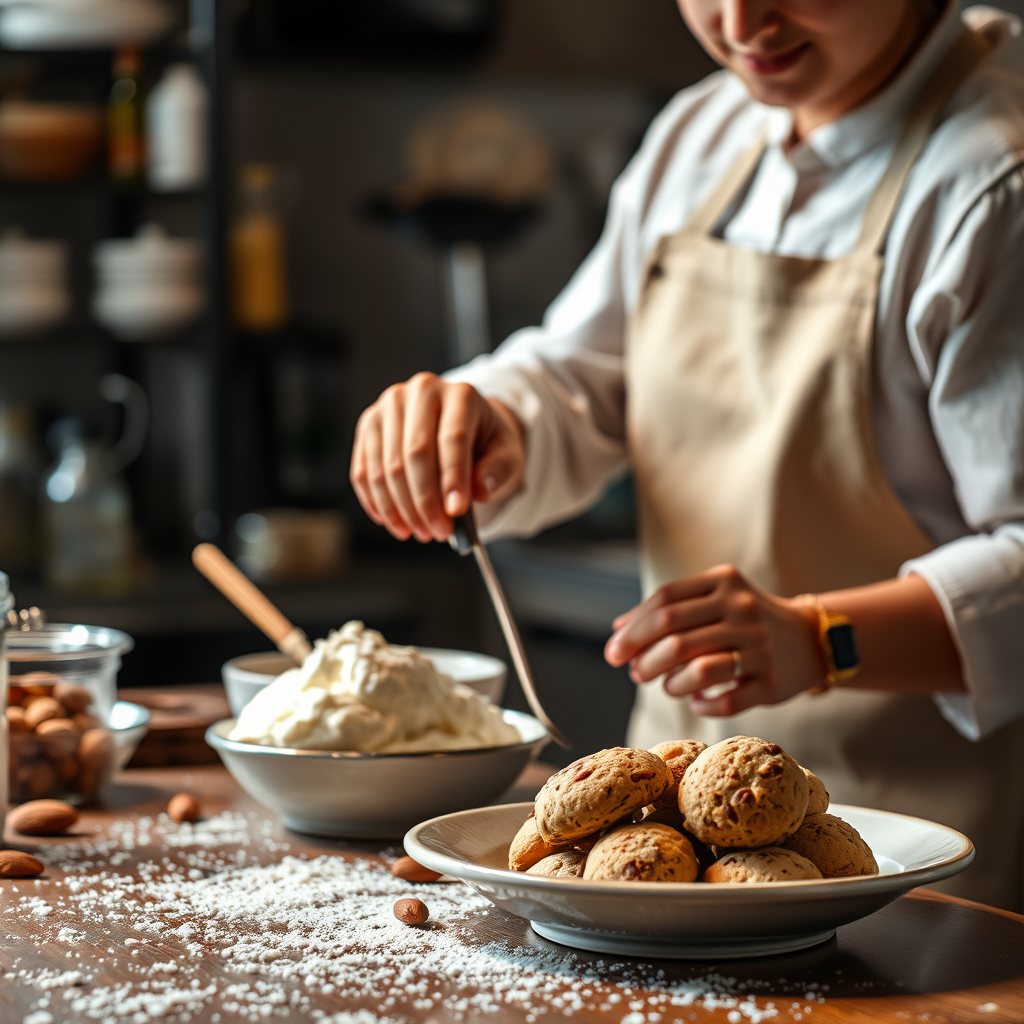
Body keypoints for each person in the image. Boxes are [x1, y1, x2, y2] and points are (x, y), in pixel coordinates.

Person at [350, 0, 1024, 910]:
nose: (740, 18)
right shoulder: (703, 133)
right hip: (660, 850)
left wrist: (824, 638)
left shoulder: (994, 179)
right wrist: (494, 422)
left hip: (919, 869)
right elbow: (587, 376)